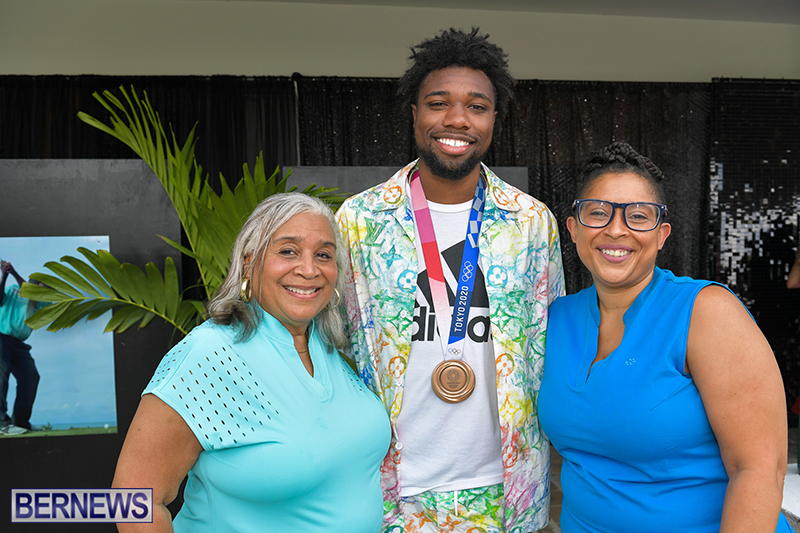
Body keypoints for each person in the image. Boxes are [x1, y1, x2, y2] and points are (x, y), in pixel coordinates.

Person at [336, 28, 565, 533]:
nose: (457, 119)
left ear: (494, 120)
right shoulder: (359, 221)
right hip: (387, 490)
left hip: (508, 490)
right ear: (414, 112)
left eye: (477, 106)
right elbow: (338, 345)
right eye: (439, 103)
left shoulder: (531, 222)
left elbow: (547, 347)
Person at [538, 141, 793, 533]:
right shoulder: (556, 318)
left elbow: (759, 468)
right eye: (598, 213)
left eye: (639, 216)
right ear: (573, 229)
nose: (616, 229)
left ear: (661, 234)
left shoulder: (705, 312)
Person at [113, 193, 391, 532]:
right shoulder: (208, 353)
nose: (308, 269)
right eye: (288, 250)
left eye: (323, 255)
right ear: (249, 262)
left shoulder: (326, 345)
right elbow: (135, 500)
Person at [0, 260, 46, 435]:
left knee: (31, 377)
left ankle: (20, 421)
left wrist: (14, 272)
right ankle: (1, 423)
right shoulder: (12, 290)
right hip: (1, 337)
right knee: (1, 376)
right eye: (41, 287)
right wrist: (5, 274)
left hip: (19, 344)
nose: (45, 292)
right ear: (34, 284)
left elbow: (31, 295)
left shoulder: (43, 303)